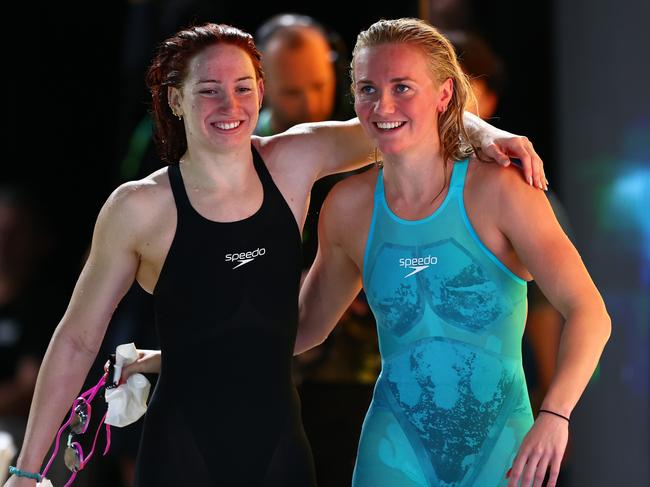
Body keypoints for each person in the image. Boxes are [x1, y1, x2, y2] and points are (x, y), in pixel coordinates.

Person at [5, 22, 545, 487]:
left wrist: (488, 131)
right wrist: (28, 472)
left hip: (281, 454)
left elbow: (401, 118)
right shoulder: (139, 208)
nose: (229, 106)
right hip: (181, 454)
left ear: (261, 92)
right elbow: (76, 339)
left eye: (242, 88)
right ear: (175, 99)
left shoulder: (293, 162)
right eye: (208, 90)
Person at [295, 18, 610, 487]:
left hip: (503, 454)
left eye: (402, 87)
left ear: (444, 95)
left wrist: (556, 415)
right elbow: (302, 329)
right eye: (367, 89)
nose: (382, 105)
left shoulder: (501, 190)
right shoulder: (347, 208)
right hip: (392, 455)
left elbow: (590, 310)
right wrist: (176, 355)